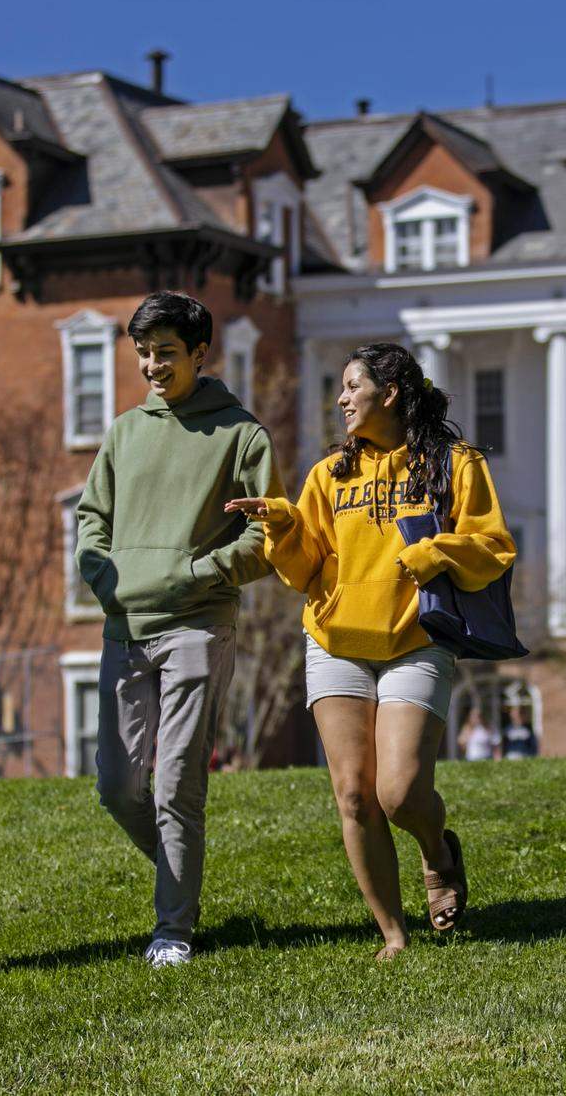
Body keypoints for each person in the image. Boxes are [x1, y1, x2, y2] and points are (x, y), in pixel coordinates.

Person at [227, 342, 515, 960]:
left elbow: (492, 547)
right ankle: (393, 933)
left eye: (352, 386)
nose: (341, 398)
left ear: (390, 393)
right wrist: (281, 527)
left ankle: (438, 853)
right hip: (335, 641)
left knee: (400, 792)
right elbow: (304, 572)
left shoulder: (455, 464)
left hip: (415, 640)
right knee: (354, 794)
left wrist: (434, 552)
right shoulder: (329, 475)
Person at [75, 291, 280, 970]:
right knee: (116, 785)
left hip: (197, 623)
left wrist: (201, 573)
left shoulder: (241, 434)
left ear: (199, 353)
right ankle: (180, 874)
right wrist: (104, 579)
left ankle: (173, 928)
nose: (152, 365)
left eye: (166, 352)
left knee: (176, 783)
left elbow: (268, 532)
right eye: (143, 352)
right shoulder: (124, 431)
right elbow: (91, 521)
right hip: (124, 626)